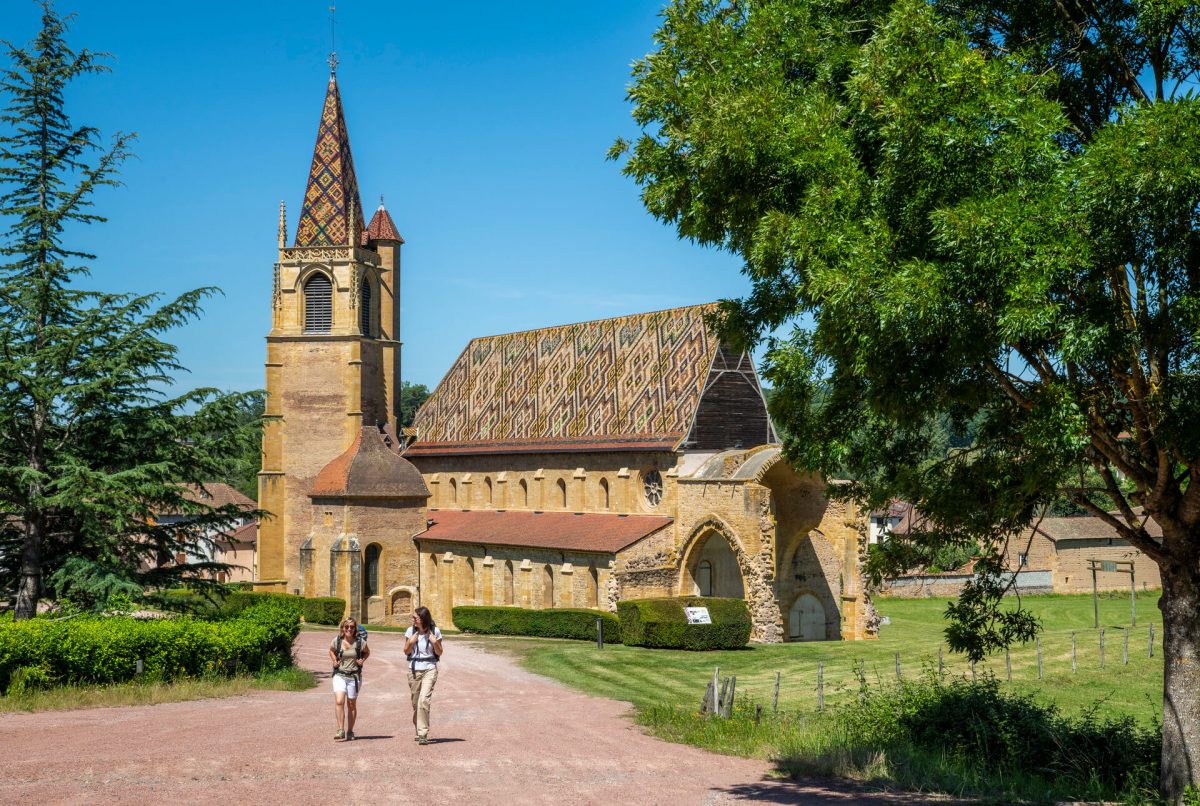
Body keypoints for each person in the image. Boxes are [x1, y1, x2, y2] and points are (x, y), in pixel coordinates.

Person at [404, 606, 443, 745]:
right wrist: (411, 641)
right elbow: (406, 651)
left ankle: (422, 733)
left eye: (415, 617)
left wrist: (434, 642)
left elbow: (439, 653)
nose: (413, 619)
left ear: (423, 619)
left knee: (424, 701)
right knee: (416, 703)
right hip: (414, 669)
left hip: (430, 668)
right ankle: (418, 727)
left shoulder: (435, 632)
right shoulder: (411, 631)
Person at [329, 616, 369, 741]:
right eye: (347, 627)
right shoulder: (337, 641)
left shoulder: (360, 642)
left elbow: (367, 652)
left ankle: (350, 731)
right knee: (339, 701)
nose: (349, 629)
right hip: (340, 674)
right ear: (342, 628)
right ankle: (340, 730)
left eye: (352, 627)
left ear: (355, 629)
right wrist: (334, 661)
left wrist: (362, 660)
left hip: (354, 676)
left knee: (351, 704)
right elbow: (331, 650)